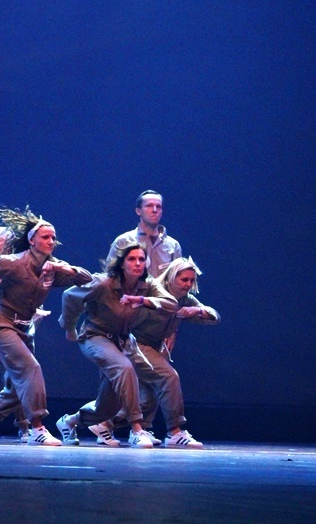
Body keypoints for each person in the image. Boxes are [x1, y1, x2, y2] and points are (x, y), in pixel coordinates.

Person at [0, 208, 92, 446]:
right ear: (32, 240)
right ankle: (37, 427)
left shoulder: (53, 267)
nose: (51, 242)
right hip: (1, 323)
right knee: (31, 369)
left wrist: (65, 269)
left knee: (17, 384)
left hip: (24, 328)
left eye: (53, 238)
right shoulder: (15, 263)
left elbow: (87, 279)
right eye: (46, 237)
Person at [55, 243, 177, 448]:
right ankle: (137, 429)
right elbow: (70, 296)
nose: (138, 263)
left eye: (141, 259)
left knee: (108, 407)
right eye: (132, 259)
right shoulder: (104, 283)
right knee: (125, 368)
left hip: (122, 341)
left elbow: (172, 303)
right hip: (96, 336)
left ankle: (69, 422)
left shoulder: (147, 285)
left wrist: (143, 300)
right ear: (122, 264)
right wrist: (69, 327)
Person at [122, 257, 219, 448]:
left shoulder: (185, 299)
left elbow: (214, 316)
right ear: (172, 277)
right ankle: (175, 432)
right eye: (184, 280)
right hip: (133, 344)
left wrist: (197, 311)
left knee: (147, 396)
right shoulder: (154, 291)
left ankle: (93, 422)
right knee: (169, 377)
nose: (188, 285)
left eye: (191, 281)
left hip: (153, 347)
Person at [107, 190, 182, 278]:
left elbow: (178, 279)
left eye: (158, 207)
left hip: (162, 292)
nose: (154, 210)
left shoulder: (173, 245)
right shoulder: (123, 241)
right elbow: (110, 275)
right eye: (149, 206)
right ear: (138, 211)